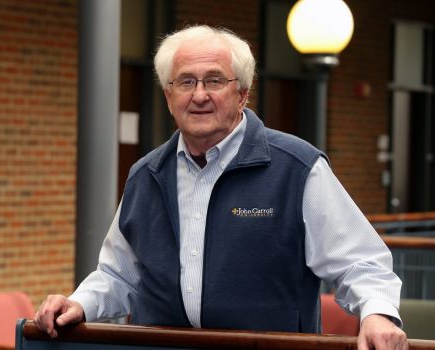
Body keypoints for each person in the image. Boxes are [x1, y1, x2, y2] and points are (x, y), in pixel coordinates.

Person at [35, 25, 408, 350]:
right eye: (185, 81)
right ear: (168, 96)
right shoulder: (146, 175)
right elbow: (119, 274)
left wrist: (378, 314)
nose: (199, 95)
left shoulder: (296, 168)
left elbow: (360, 262)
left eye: (214, 80)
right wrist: (79, 302)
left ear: (242, 94)